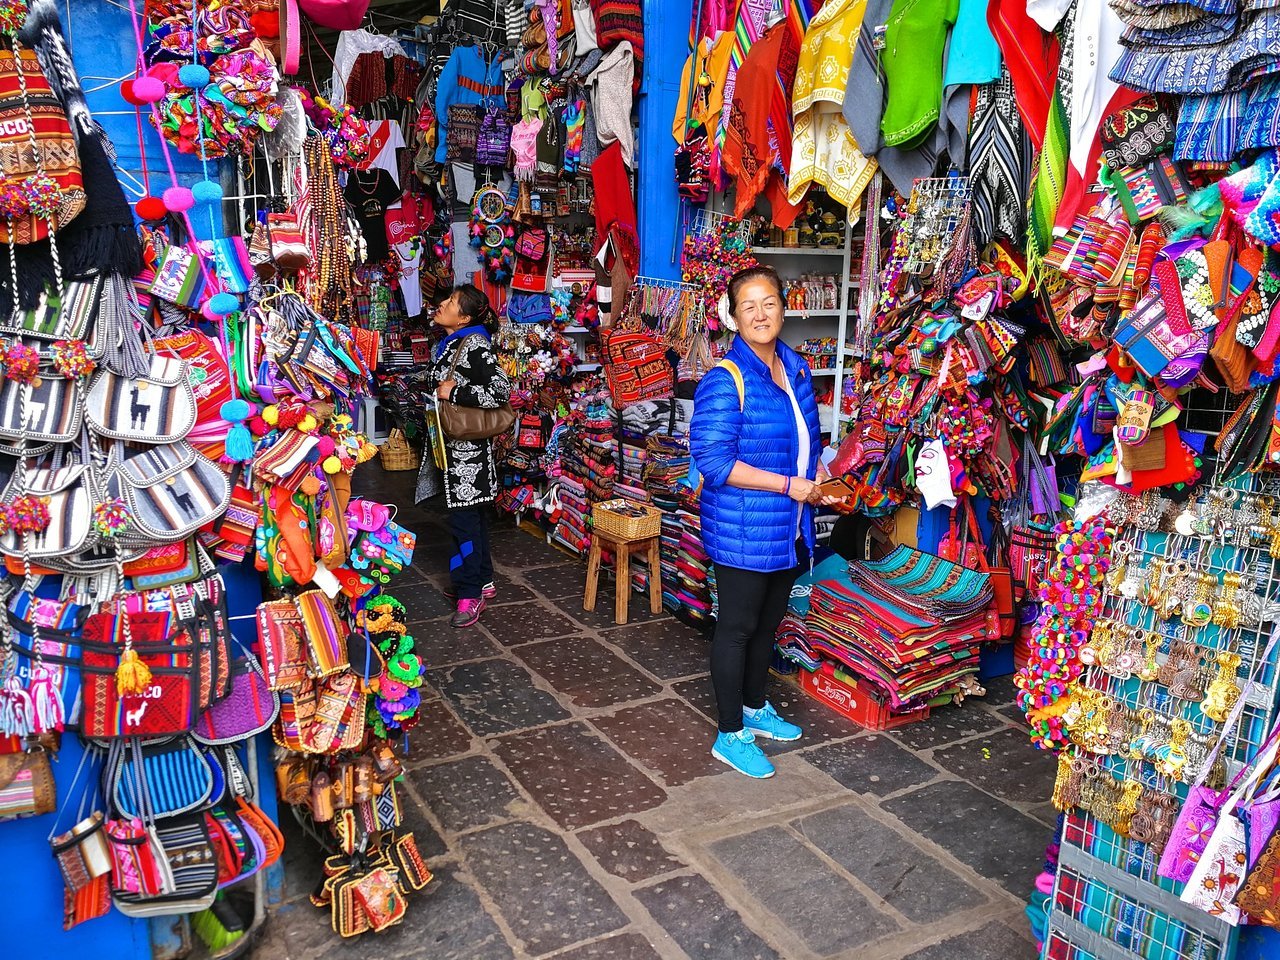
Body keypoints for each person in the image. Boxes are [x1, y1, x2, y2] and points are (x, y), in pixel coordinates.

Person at [689, 265, 839, 779]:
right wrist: (786, 484)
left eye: (769, 302)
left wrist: (817, 475)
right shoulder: (724, 379)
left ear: (783, 306)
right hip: (744, 526)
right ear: (732, 316)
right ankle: (730, 733)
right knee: (735, 629)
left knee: (767, 625)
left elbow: (801, 441)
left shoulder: (794, 370)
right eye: (748, 305)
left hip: (788, 524)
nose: (760, 313)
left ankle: (755, 707)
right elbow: (713, 462)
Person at [427, 284, 512, 628]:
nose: (441, 305)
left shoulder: (474, 345)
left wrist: (456, 391)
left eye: (449, 303)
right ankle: (482, 578)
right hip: (454, 452)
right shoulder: (451, 343)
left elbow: (501, 391)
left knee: (465, 522)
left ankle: (470, 592)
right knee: (472, 519)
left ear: (462, 317)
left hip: (468, 457)